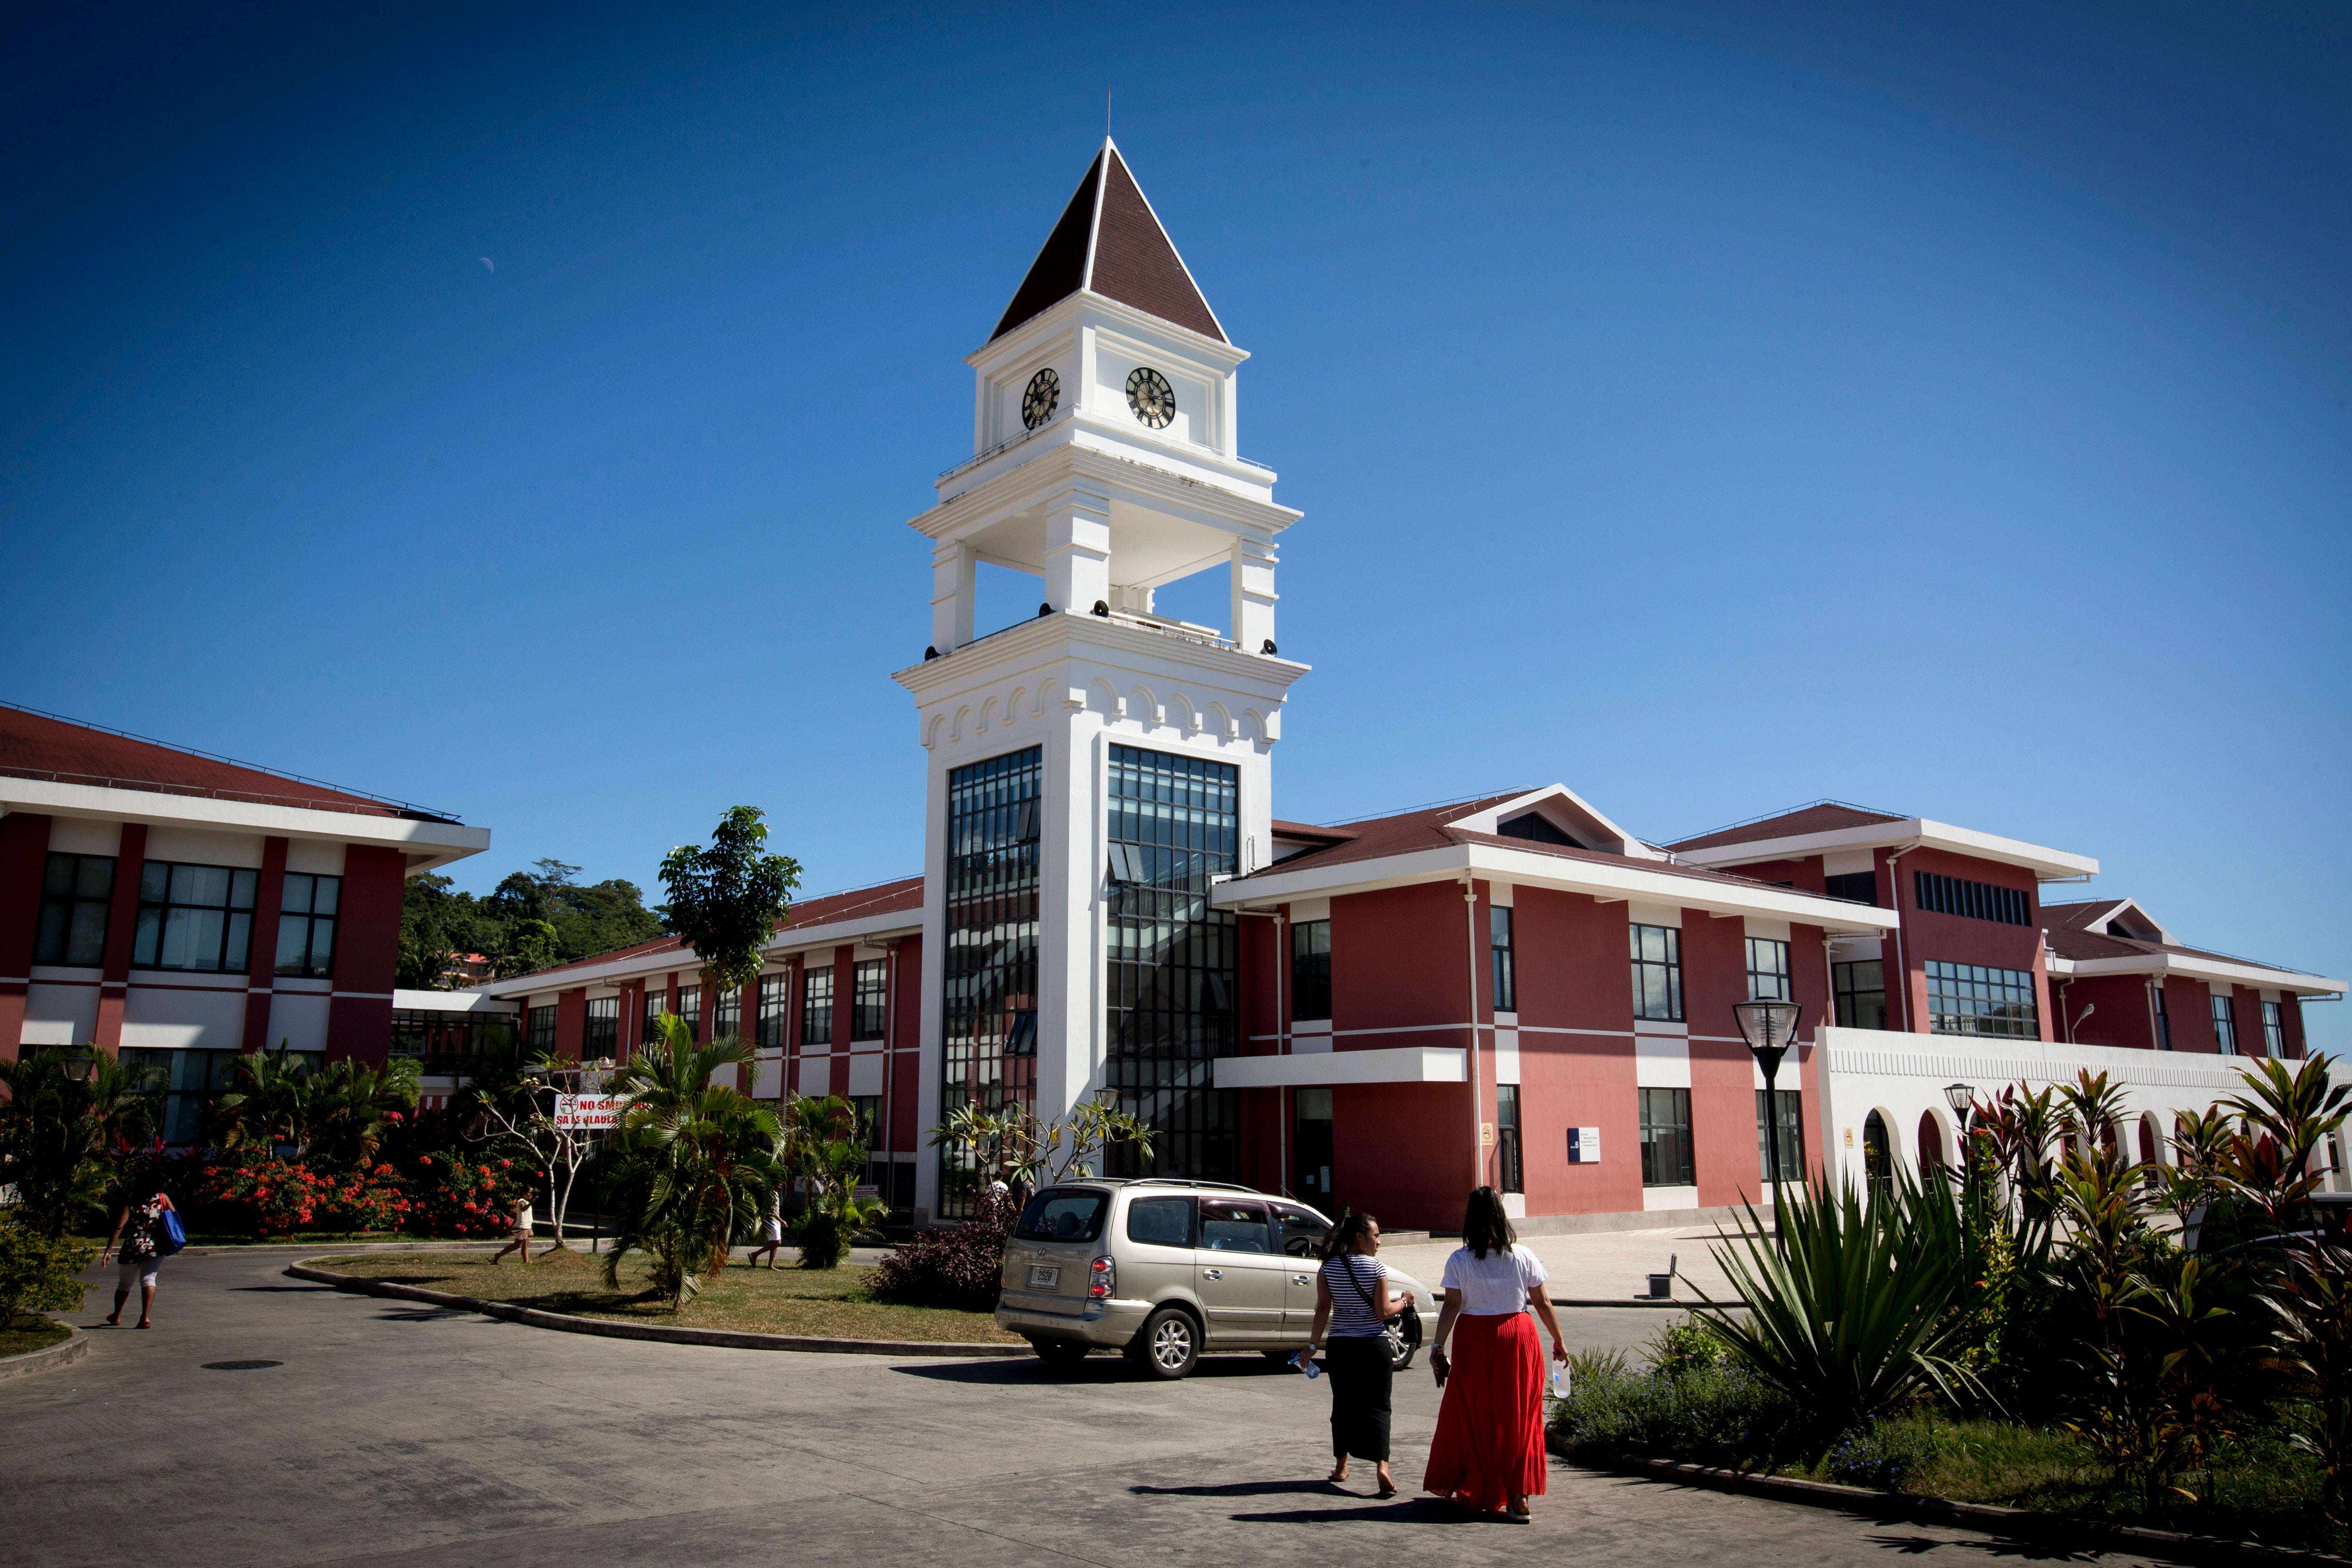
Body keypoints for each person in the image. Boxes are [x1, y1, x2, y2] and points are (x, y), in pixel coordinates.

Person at [1421, 1186, 1568, 1521]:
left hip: (1473, 1337)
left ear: (1469, 1218)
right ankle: (1519, 1497)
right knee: (1521, 1417)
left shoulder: (1459, 1259)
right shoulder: (1524, 1255)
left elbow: (1453, 1305)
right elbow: (1542, 1302)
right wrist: (1559, 1340)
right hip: (1518, 1336)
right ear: (1501, 1216)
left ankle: (1478, 1485)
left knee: (1476, 1416)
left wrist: (1437, 1345)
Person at [1301, 1211, 1416, 1497]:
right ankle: (1382, 1467)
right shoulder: (1377, 1270)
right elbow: (1383, 1313)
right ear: (1359, 1238)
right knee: (1379, 1406)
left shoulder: (1327, 1269)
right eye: (1376, 1236)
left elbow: (1323, 1310)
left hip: (1341, 1347)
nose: (1379, 1242)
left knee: (1343, 1406)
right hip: (1373, 1347)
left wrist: (1312, 1345)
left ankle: (1341, 1466)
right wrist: (1404, 1301)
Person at [98, 1182, 177, 1330]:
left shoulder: (131, 1202)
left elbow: (119, 1226)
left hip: (132, 1247)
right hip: (155, 1247)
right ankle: (145, 1318)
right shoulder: (162, 1198)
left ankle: (117, 1315)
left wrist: (108, 1251)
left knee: (124, 1284)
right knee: (149, 1279)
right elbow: (172, 1216)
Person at [489, 1192, 534, 1264]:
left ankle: (526, 1262)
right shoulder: (521, 1202)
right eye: (529, 1192)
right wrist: (531, 1203)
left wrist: (512, 1224)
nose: (531, 1194)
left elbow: (518, 1215)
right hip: (522, 1227)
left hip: (528, 1226)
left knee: (526, 1245)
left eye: (532, 1193)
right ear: (524, 1194)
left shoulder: (526, 1202)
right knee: (517, 1246)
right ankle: (498, 1256)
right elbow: (523, 1209)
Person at [748, 1191, 786, 1269]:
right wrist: (781, 1220)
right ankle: (755, 1254)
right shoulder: (770, 1192)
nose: (780, 1184)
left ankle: (770, 1265)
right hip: (770, 1219)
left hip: (776, 1220)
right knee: (777, 1242)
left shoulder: (775, 1192)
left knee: (775, 1241)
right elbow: (771, 1208)